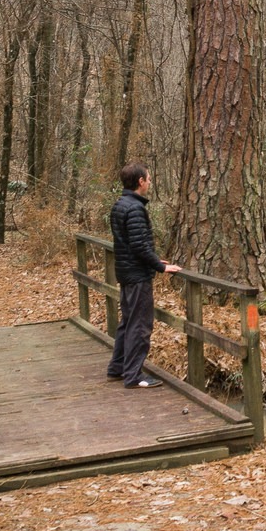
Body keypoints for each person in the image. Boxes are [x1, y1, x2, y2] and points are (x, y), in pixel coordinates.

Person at [106, 163, 181, 388]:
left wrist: (155, 260)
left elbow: (131, 243)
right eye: (148, 178)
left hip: (127, 272)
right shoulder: (135, 208)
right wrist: (160, 267)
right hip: (137, 275)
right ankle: (133, 376)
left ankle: (117, 368)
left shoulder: (120, 205)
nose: (150, 182)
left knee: (128, 322)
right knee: (139, 325)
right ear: (140, 181)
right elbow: (138, 245)